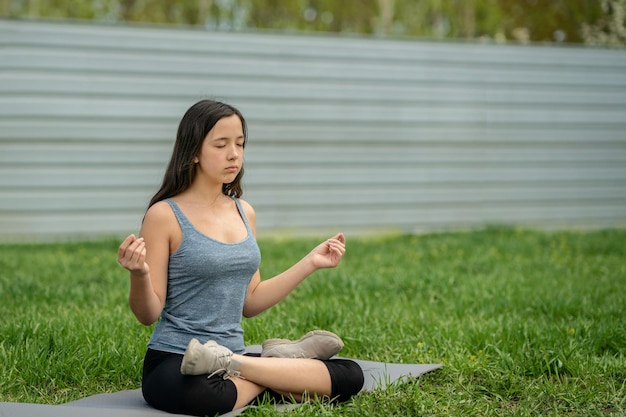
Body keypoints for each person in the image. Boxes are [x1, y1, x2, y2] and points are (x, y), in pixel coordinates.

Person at [117, 99, 364, 416]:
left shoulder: (244, 212)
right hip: (175, 358)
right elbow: (148, 314)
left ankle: (236, 364)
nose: (234, 154)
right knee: (203, 395)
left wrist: (310, 262)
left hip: (231, 358)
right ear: (193, 151)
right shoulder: (164, 215)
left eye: (240, 144)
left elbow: (251, 301)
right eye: (221, 145)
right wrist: (139, 275)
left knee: (350, 375)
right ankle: (275, 366)